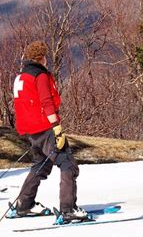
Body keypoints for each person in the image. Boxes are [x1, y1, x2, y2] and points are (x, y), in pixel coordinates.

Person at [11, 41, 87, 221]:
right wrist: (57, 128)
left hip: (29, 129)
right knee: (67, 163)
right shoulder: (40, 76)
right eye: (45, 56)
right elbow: (46, 102)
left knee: (41, 164)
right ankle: (68, 209)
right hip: (44, 126)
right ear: (41, 57)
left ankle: (24, 203)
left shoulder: (20, 77)